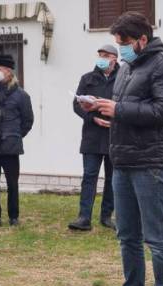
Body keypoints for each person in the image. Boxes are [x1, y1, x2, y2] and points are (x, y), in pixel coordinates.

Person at [90, 12, 163, 286]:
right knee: (127, 234)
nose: (121, 49)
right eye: (118, 43)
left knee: (156, 237)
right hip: (124, 160)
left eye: (125, 43)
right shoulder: (128, 66)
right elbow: (129, 110)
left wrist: (120, 109)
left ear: (143, 39)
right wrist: (108, 114)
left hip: (151, 164)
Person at [68, 45, 119, 232]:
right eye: (100, 55)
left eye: (106, 56)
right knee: (89, 176)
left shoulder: (123, 78)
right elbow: (76, 104)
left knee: (113, 178)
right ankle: (84, 217)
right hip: (92, 135)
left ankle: (107, 216)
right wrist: (91, 117)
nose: (102, 58)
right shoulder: (87, 78)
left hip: (114, 135)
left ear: (114, 58)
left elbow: (127, 104)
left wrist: (115, 120)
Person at [0, 54, 34, 227]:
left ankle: (13, 216)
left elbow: (27, 121)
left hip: (10, 145)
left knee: (12, 182)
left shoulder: (21, 95)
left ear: (9, 72)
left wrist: (15, 134)